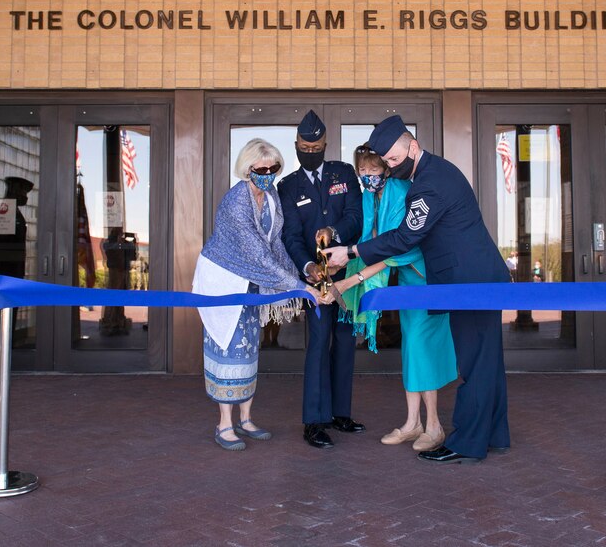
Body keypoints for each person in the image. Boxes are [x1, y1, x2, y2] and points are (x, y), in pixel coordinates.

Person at [324, 115, 511, 464]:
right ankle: (494, 434)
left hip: (470, 284)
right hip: (476, 280)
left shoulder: (429, 182)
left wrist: (351, 252)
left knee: (474, 364)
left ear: (413, 146)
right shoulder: (435, 172)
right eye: (388, 162)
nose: (391, 168)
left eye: (395, 160)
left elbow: (406, 237)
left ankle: (467, 443)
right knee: (486, 362)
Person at [193, 138, 332, 450]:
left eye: (275, 168)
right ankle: (224, 424)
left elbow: (276, 244)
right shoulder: (235, 204)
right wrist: (300, 287)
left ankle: (245, 419)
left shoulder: (269, 196)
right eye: (262, 169)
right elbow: (257, 255)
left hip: (250, 285)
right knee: (226, 348)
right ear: (247, 169)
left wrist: (302, 274)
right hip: (223, 282)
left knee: (248, 348)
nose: (269, 174)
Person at [332, 145, 457, 452]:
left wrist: (353, 279)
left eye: (374, 171)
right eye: (362, 171)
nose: (368, 177)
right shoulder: (367, 198)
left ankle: (434, 426)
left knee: (420, 349)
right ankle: (414, 423)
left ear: (387, 170)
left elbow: (398, 246)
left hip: (426, 278)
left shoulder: (402, 192)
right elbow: (369, 242)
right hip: (405, 283)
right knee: (412, 351)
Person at [277, 110, 364, 449]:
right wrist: (307, 268)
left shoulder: (343, 174)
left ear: (326, 145)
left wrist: (334, 231)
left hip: (347, 274)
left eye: (316, 146)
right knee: (318, 344)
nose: (310, 151)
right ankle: (314, 421)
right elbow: (291, 236)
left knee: (344, 341)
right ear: (296, 145)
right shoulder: (289, 187)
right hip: (315, 281)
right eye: (304, 146)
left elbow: (356, 215)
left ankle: (340, 413)